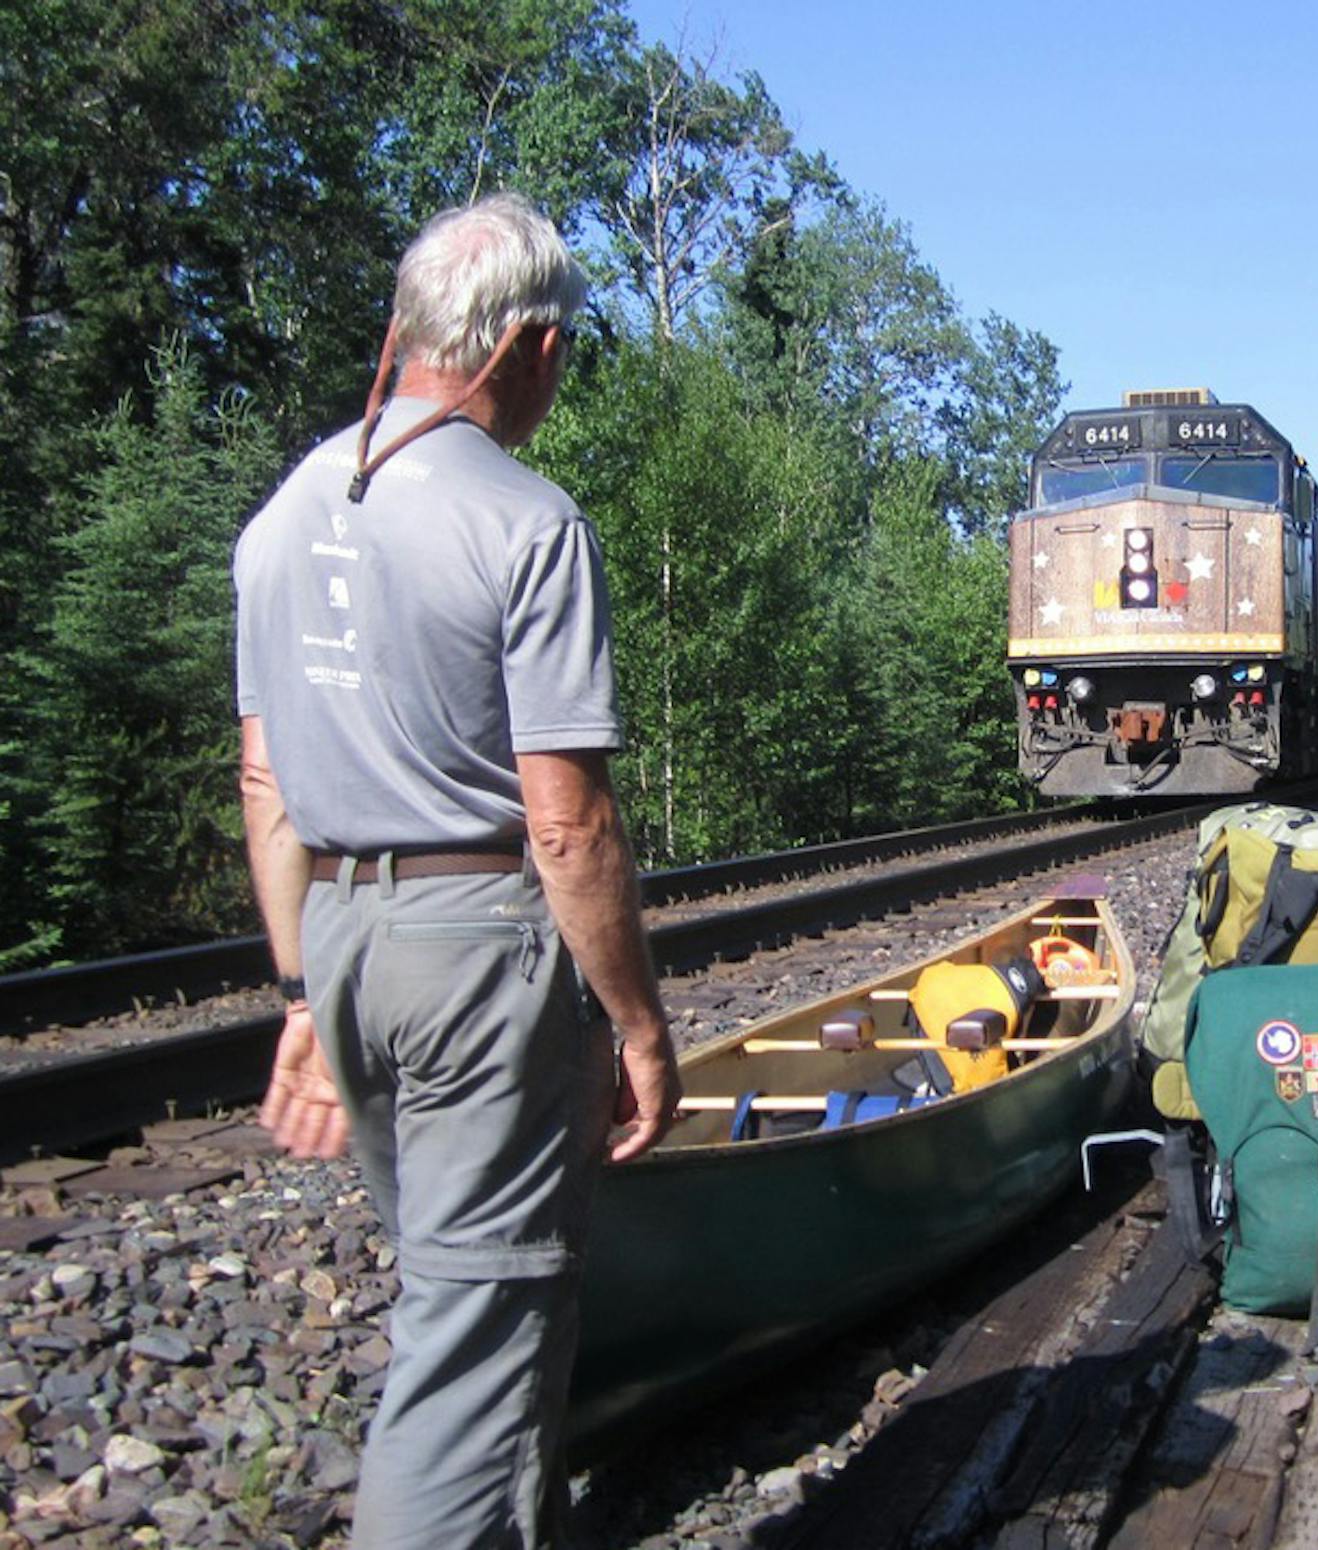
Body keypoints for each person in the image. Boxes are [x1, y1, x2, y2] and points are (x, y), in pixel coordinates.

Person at [233, 191, 681, 1548]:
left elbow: (265, 782)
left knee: (477, 1317)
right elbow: (568, 826)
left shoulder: (279, 519)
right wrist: (639, 1018)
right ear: (531, 346)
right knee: (471, 1347)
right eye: (565, 355)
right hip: (482, 953)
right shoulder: (526, 522)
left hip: (346, 942)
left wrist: (305, 993)